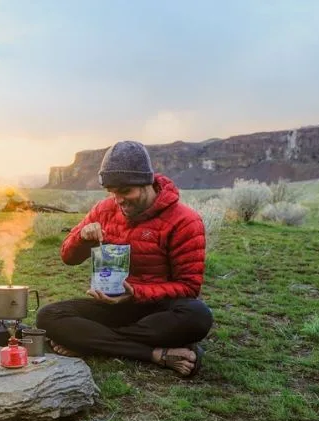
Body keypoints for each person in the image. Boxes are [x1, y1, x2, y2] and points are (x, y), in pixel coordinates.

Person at [36, 141, 213, 377]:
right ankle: (156, 354)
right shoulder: (104, 210)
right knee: (47, 316)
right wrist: (82, 238)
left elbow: (189, 287)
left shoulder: (185, 221)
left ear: (147, 182)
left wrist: (137, 293)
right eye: (112, 191)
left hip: (158, 311)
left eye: (125, 191)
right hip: (111, 305)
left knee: (198, 316)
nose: (118, 200)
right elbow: (68, 257)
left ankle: (91, 340)